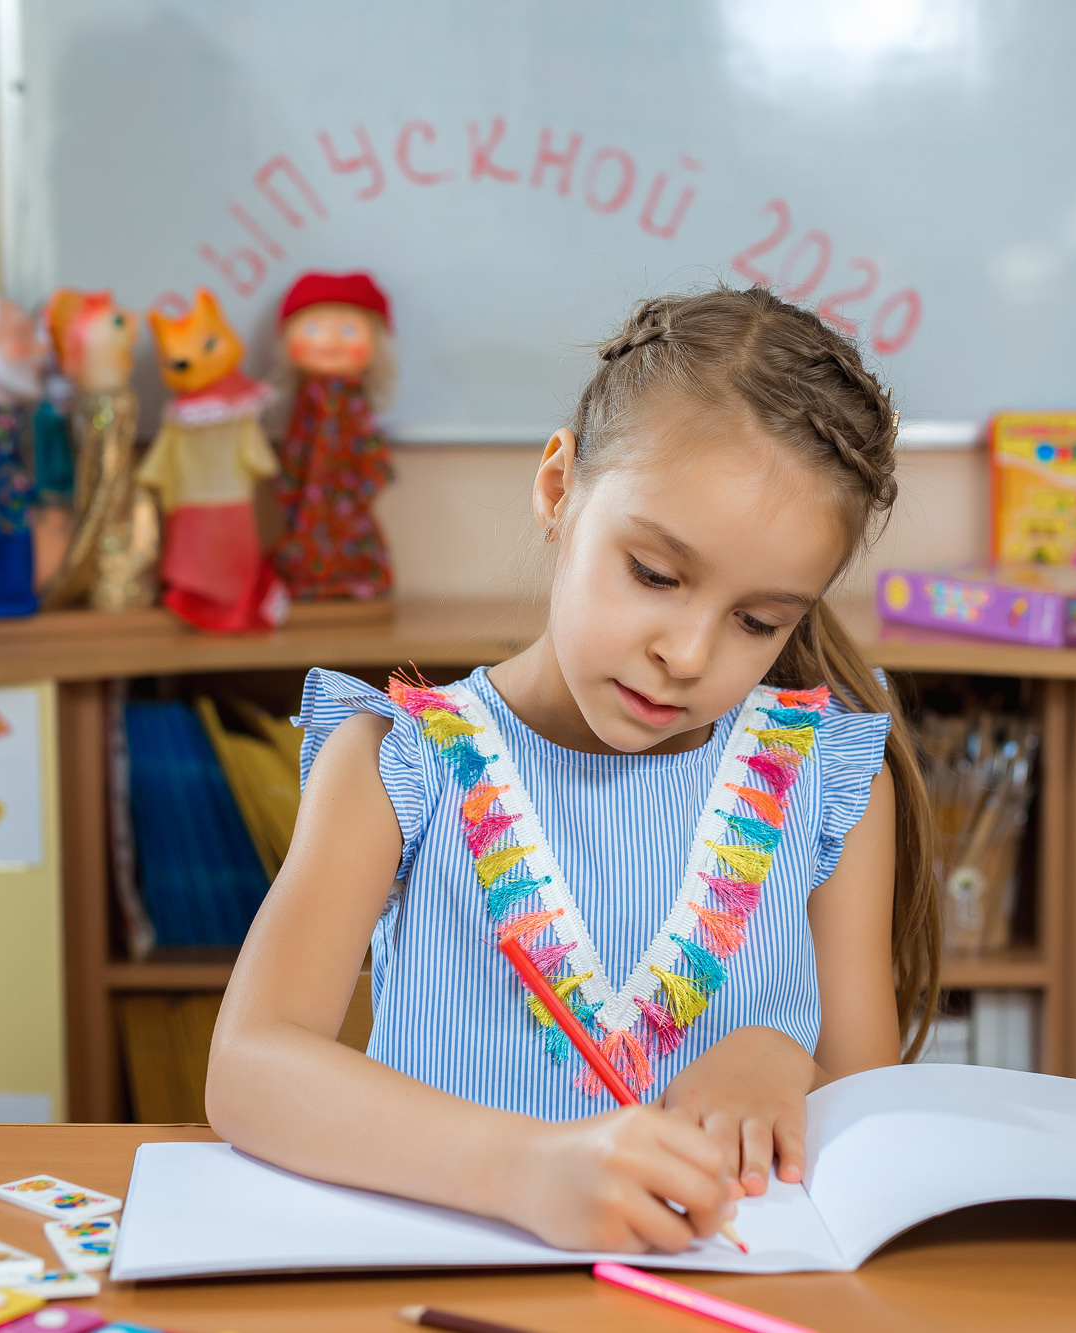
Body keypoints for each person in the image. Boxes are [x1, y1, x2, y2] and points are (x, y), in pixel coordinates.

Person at [205, 286, 939, 1254]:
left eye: (757, 621)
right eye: (654, 573)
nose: (686, 652)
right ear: (558, 489)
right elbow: (250, 1067)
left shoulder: (830, 781)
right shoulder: (395, 761)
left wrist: (779, 1061)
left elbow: (868, 1121)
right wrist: (520, 1169)